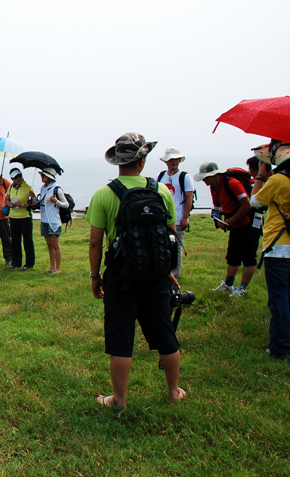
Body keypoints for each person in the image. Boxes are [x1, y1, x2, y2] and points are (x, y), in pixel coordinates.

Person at [86, 133, 185, 408]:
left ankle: (119, 399)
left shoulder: (105, 194)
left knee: (121, 339)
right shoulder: (161, 191)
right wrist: (166, 269)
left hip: (120, 278)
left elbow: (95, 242)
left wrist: (96, 277)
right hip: (155, 276)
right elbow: (170, 237)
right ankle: (173, 391)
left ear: (117, 162)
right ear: (142, 161)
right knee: (166, 334)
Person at [194, 161, 261, 297]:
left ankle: (242, 288)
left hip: (249, 223)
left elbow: (247, 205)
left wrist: (229, 221)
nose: (205, 181)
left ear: (215, 175)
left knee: (249, 257)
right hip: (235, 225)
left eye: (206, 178)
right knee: (232, 255)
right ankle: (228, 285)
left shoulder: (232, 183)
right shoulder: (214, 187)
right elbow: (217, 205)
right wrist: (218, 218)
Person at [249, 140, 290, 360]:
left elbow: (254, 202)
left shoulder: (278, 180)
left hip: (278, 245)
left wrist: (261, 175)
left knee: (279, 298)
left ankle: (281, 347)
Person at [156, 148, 195, 281]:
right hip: (163, 218)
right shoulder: (161, 176)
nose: (173, 162)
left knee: (176, 247)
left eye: (176, 159)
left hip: (178, 219)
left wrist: (185, 217)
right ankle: (164, 271)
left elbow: (189, 198)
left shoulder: (184, 176)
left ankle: (175, 273)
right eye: (171, 159)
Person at [37, 167, 69, 274]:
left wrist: (56, 202)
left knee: (56, 245)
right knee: (49, 245)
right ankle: (52, 266)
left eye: (43, 176)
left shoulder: (57, 189)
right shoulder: (43, 188)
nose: (42, 177)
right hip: (45, 220)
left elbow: (66, 204)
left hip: (53, 220)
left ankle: (58, 268)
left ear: (49, 177)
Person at [4, 168, 35, 270]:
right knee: (15, 241)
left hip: (25, 217)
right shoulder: (11, 188)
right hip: (13, 217)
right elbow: (6, 199)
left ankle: (29, 263)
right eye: (15, 177)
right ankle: (16, 262)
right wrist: (10, 204)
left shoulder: (28, 188)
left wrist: (22, 204)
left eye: (19, 176)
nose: (18, 179)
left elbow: (34, 203)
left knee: (27, 241)